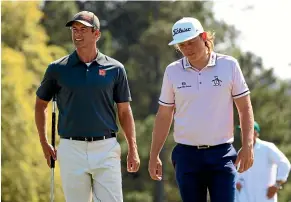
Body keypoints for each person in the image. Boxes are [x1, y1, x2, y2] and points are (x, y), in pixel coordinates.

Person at [34, 11, 140, 202]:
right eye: (74, 29)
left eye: (83, 29)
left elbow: (124, 111)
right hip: (70, 148)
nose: (77, 34)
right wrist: (43, 142)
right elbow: (40, 105)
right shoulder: (57, 69)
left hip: (106, 148)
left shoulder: (115, 69)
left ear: (96, 34)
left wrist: (133, 148)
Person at [148, 17, 255, 202]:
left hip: (221, 155)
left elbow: (245, 109)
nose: (187, 49)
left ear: (204, 37)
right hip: (186, 156)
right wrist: (154, 155)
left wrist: (248, 146)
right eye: (182, 45)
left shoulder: (229, 65)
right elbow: (164, 115)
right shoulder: (172, 71)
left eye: (191, 42)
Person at [235, 121, 291, 202]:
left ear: (256, 133)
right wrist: (237, 182)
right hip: (245, 198)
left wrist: (277, 185)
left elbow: (285, 164)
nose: (244, 133)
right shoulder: (241, 151)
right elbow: (238, 172)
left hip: (264, 197)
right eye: (242, 131)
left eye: (247, 130)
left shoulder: (267, 148)